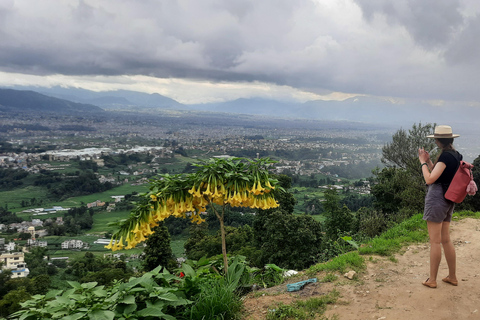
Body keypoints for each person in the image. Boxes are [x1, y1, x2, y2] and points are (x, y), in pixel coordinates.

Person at [418, 125, 461, 288]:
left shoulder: (445, 157)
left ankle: (432, 280)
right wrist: (429, 161)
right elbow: (441, 175)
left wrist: (422, 163)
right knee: (445, 239)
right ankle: (452, 276)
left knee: (435, 242)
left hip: (437, 199)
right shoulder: (455, 155)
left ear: (438, 140)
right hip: (449, 199)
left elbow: (429, 179)